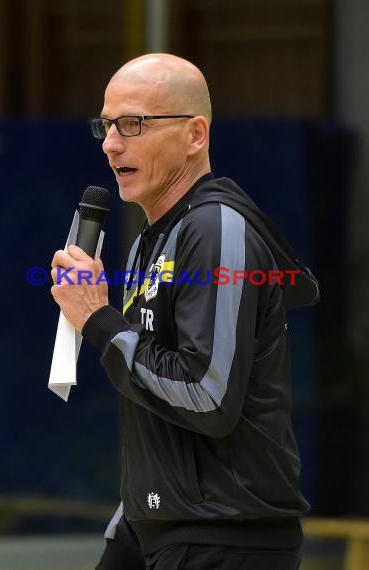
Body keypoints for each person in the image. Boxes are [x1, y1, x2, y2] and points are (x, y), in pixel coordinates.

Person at [51, 53, 319, 570]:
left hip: (226, 539)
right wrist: (130, 518)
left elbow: (204, 394)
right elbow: (156, 393)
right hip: (157, 527)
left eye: (133, 124)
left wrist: (99, 319)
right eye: (106, 125)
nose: (110, 143)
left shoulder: (216, 229)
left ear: (195, 135)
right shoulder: (151, 242)